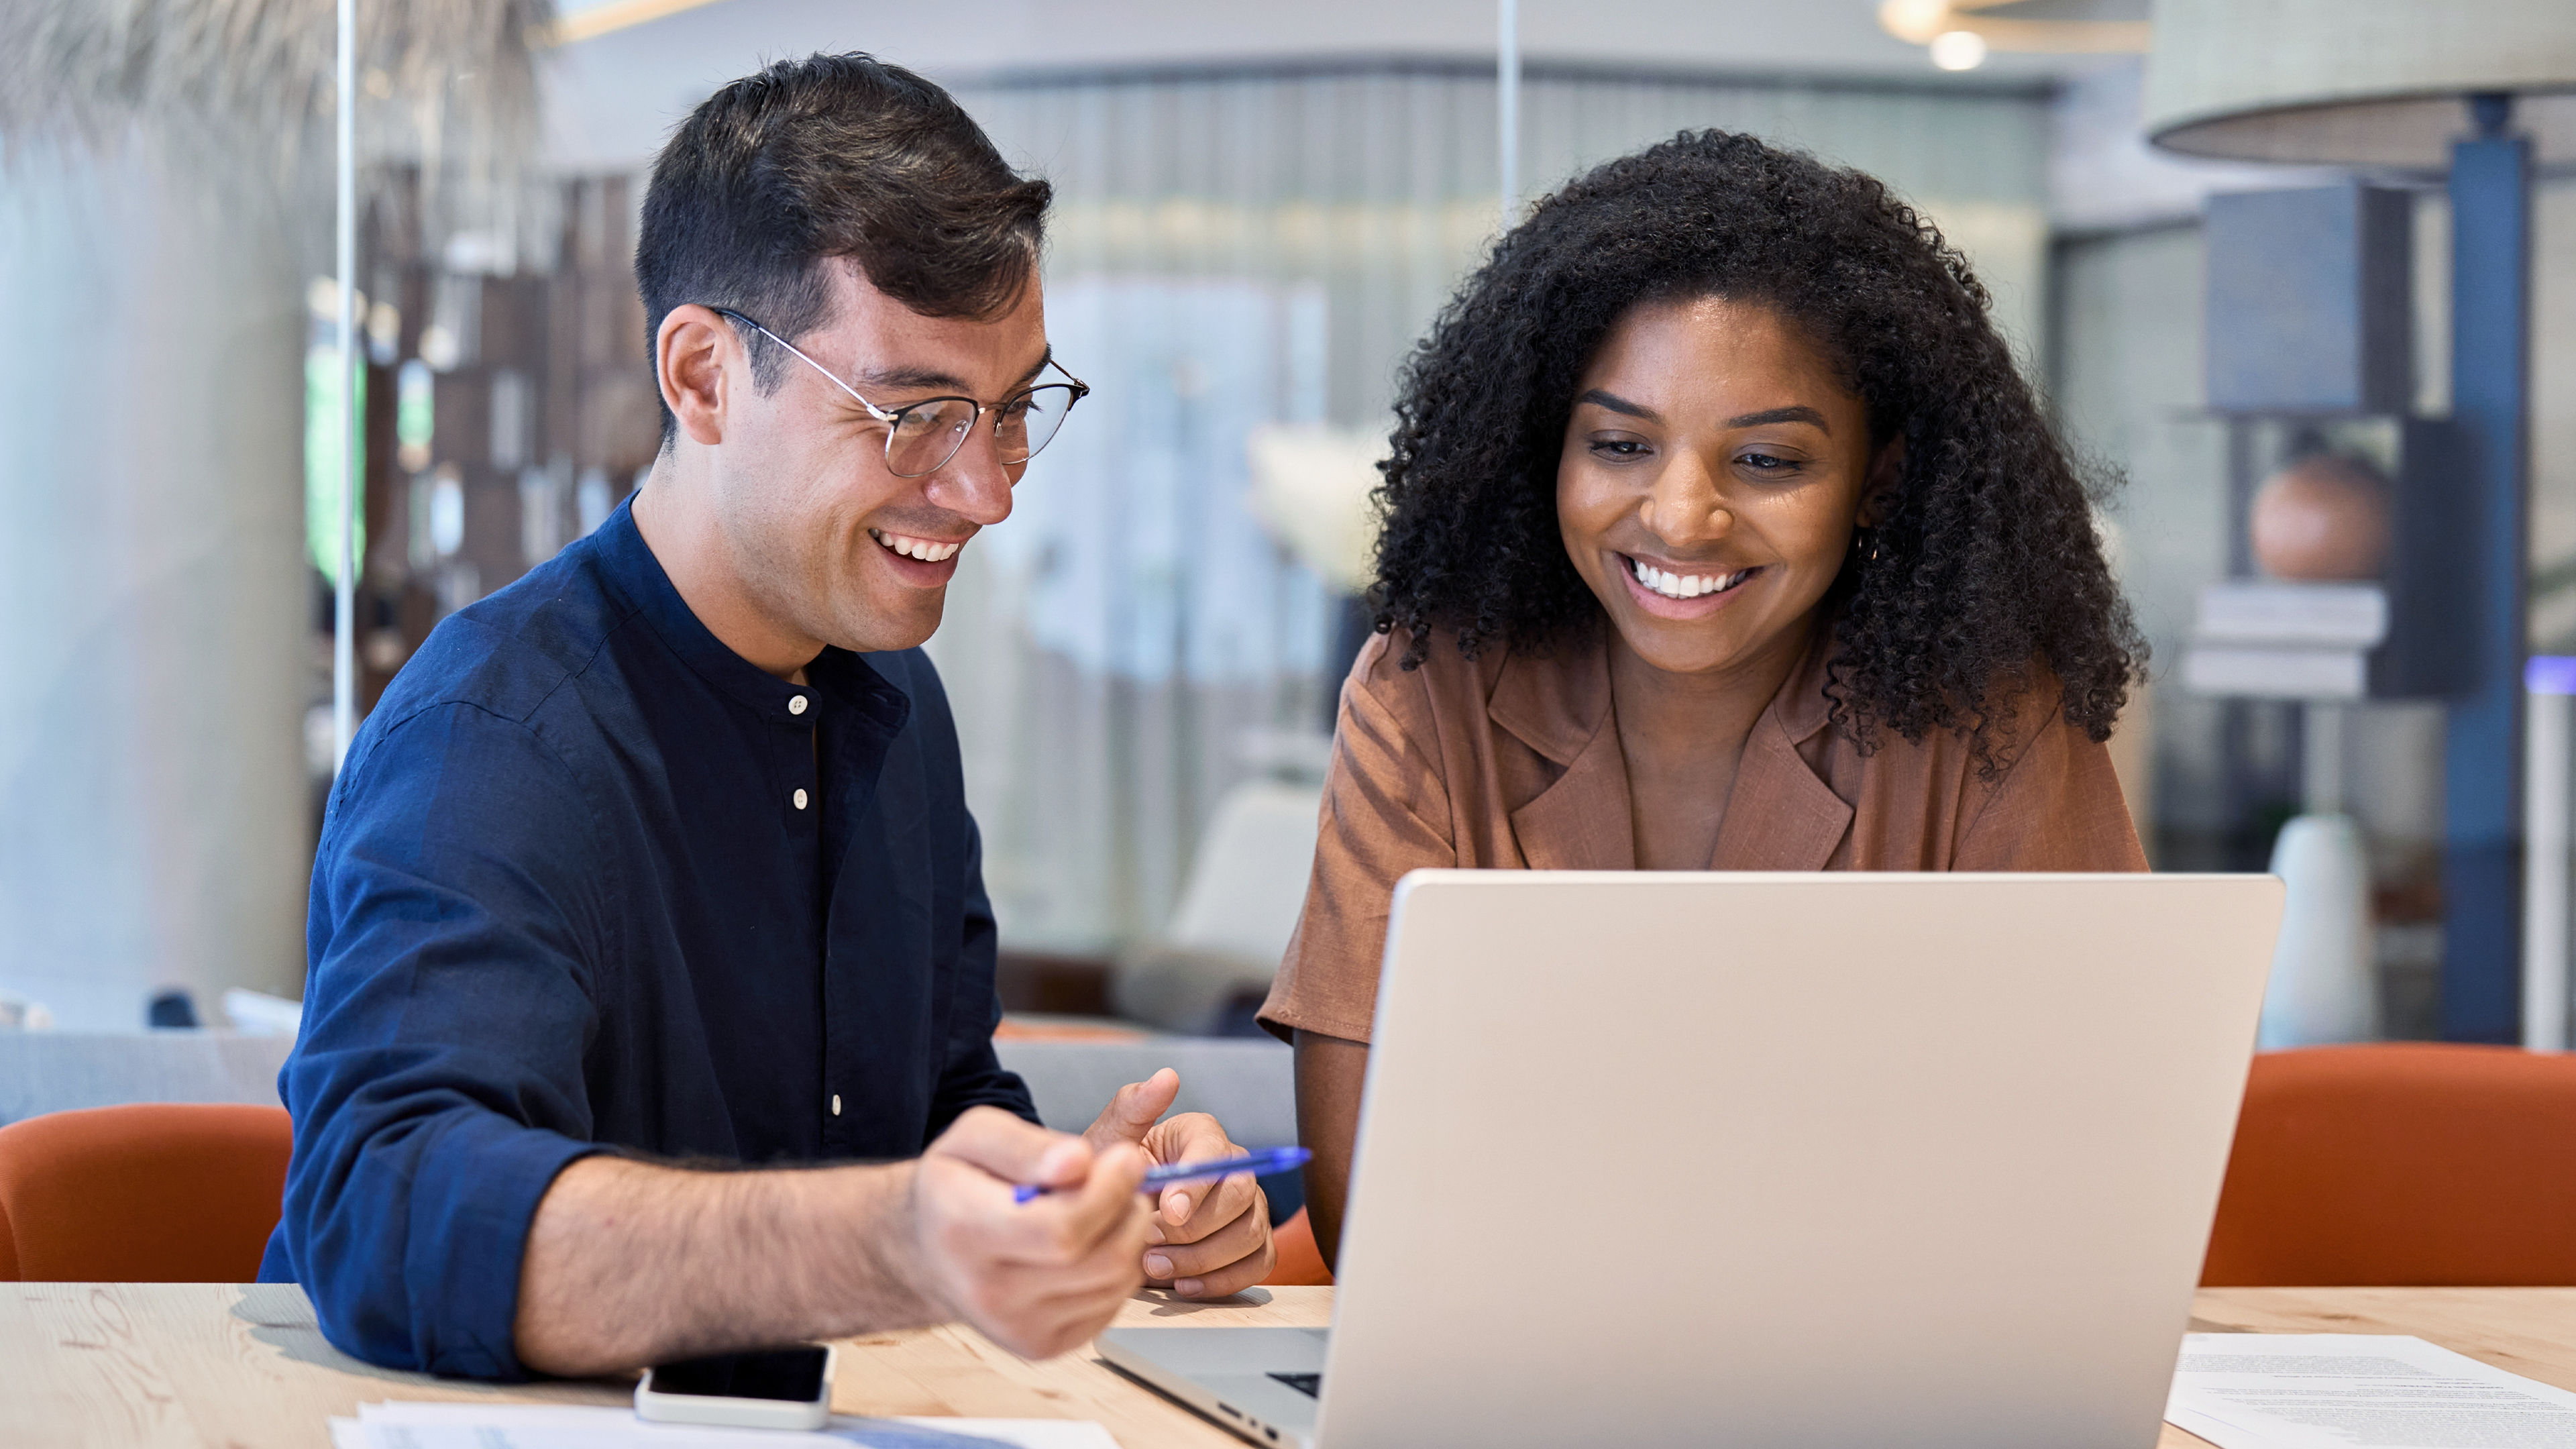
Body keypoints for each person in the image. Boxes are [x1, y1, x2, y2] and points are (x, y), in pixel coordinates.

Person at [262, 54, 1273, 1380]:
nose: (987, 494)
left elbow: (934, 1110)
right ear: (703, 377)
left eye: (1014, 410)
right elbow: (389, 1208)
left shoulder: (896, 704)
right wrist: (890, 1242)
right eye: (913, 416)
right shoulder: (491, 738)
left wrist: (1090, 1208)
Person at [1259, 131, 2151, 1269]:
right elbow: (1371, 1217)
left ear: (1877, 479)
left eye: (1769, 462)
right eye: (1622, 444)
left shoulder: (1989, 721)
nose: (1683, 517)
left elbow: (2072, 1191)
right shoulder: (1427, 694)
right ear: (1549, 454)